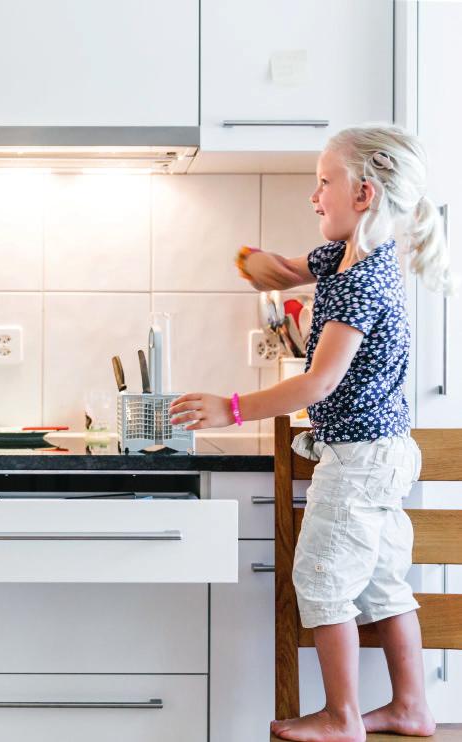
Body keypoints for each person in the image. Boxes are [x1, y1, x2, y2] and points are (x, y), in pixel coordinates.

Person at [170, 123, 453, 742]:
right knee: (383, 585)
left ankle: (341, 714)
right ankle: (411, 706)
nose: (314, 195)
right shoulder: (349, 259)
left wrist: (232, 407)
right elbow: (287, 271)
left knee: (321, 580)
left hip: (356, 461)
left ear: (366, 194)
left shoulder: (361, 280)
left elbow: (319, 383)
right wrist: (255, 264)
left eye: (325, 182)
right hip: (383, 455)